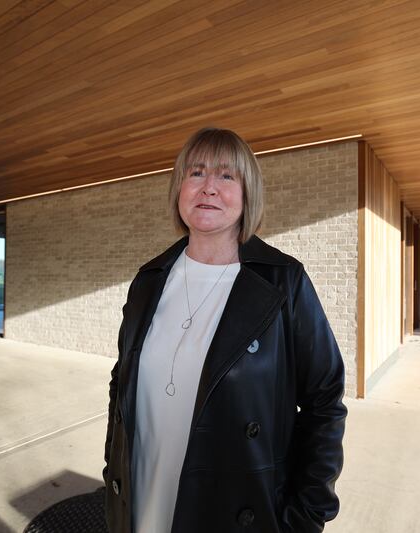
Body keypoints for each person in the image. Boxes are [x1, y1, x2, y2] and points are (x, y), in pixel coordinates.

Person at [103, 127, 347, 532]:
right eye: (196, 173)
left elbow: (325, 403)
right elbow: (120, 383)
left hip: (236, 514)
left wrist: (306, 515)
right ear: (179, 189)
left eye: (226, 176)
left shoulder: (284, 283)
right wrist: (115, 467)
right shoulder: (148, 280)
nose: (209, 188)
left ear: (247, 194)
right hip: (140, 502)